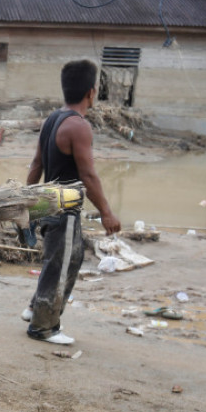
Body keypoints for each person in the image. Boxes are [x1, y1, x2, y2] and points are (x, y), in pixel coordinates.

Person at [22, 59, 121, 345]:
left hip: (47, 201)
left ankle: (33, 309)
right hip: (64, 206)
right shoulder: (78, 126)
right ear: (91, 92)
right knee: (62, 263)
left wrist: (28, 202)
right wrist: (106, 213)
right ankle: (43, 327)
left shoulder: (52, 119)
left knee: (67, 259)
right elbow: (88, 175)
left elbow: (36, 164)